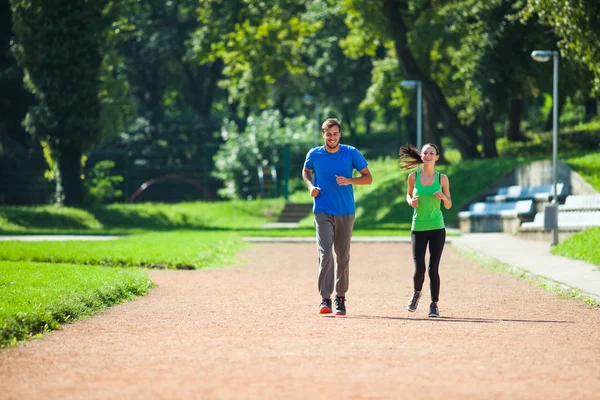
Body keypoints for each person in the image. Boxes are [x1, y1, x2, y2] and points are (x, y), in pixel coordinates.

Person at [302, 118, 373, 316]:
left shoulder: (351, 153)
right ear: (323, 134)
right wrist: (310, 187)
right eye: (328, 134)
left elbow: (368, 178)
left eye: (335, 134)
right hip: (322, 209)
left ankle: (340, 297)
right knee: (325, 253)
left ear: (340, 134)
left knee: (342, 255)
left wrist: (349, 180)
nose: (332, 137)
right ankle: (325, 298)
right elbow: (306, 171)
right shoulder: (314, 154)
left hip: (345, 210)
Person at [398, 142, 452, 317]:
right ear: (421, 156)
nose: (428, 156)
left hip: (437, 228)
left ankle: (434, 304)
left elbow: (449, 205)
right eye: (425, 153)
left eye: (431, 153)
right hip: (418, 227)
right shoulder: (413, 177)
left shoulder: (442, 178)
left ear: (437, 157)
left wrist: (444, 197)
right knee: (419, 267)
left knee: (433, 268)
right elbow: (408, 194)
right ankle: (416, 293)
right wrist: (410, 201)